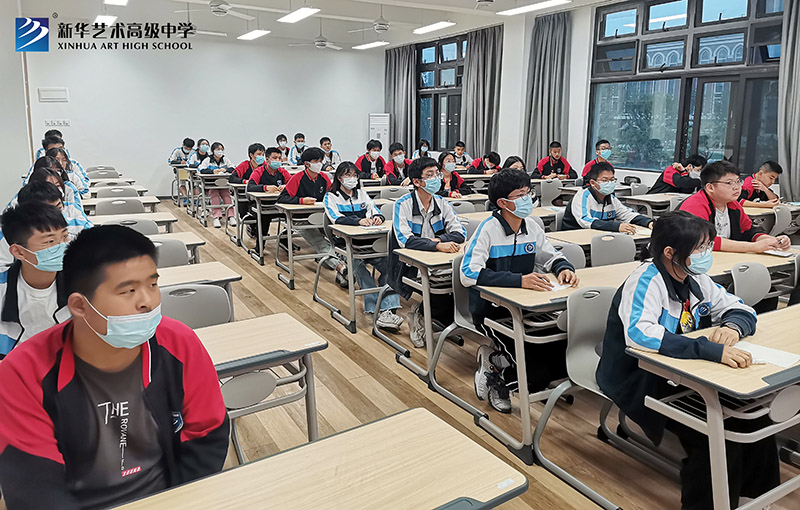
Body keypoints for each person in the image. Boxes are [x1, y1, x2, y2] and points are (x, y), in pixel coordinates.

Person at [0, 225, 230, 509]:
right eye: (129, 291)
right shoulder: (23, 373)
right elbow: (34, 486)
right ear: (80, 306)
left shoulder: (178, 343)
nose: (147, 302)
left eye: (152, 285)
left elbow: (208, 434)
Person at [596, 211, 778, 510]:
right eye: (700, 248)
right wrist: (710, 350)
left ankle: (756, 497)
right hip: (641, 375)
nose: (707, 253)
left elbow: (740, 308)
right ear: (670, 252)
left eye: (707, 246)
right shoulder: (646, 280)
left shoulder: (696, 278)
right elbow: (640, 335)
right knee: (715, 432)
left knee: (753, 413)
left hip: (688, 370)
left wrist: (733, 326)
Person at [461, 169, 578, 413]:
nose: (528, 199)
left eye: (528, 193)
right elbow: (468, 273)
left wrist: (563, 267)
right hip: (492, 310)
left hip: (529, 307)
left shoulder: (531, 226)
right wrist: (518, 281)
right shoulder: (488, 229)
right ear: (503, 203)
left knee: (561, 352)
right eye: (520, 195)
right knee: (536, 370)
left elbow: (550, 255)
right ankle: (500, 380)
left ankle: (497, 362)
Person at [388, 157, 466, 348]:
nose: (436, 178)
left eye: (437, 174)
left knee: (461, 282)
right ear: (416, 181)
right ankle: (422, 315)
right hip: (409, 265)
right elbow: (405, 240)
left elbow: (460, 233)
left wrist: (438, 241)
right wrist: (437, 245)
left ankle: (422, 313)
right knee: (441, 286)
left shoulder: (441, 202)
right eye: (430, 175)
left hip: (440, 262)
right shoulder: (403, 204)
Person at [323, 162, 404, 330]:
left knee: (390, 265)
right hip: (345, 244)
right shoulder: (331, 196)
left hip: (368, 241)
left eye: (354, 175)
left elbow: (374, 210)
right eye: (348, 175)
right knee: (360, 269)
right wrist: (358, 221)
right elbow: (335, 218)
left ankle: (388, 309)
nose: (352, 178)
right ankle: (376, 309)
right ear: (339, 178)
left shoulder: (361, 194)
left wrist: (377, 218)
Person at [0, 202, 71, 358]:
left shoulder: (82, 282)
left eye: (65, 237)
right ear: (19, 252)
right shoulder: (2, 289)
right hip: (13, 366)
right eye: (50, 242)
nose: (61, 247)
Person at [679, 161, 789, 253]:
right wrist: (753, 247)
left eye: (737, 182)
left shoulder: (733, 205)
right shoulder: (695, 205)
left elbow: (748, 230)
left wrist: (771, 240)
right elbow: (702, 240)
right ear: (710, 187)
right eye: (729, 183)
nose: (736, 187)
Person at [277, 148, 338, 270]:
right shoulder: (297, 178)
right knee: (319, 241)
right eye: (316, 161)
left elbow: (333, 194)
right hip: (301, 219)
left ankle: (333, 259)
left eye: (320, 161)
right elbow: (281, 198)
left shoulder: (323, 177)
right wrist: (301, 201)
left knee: (336, 238)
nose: (319, 164)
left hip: (321, 217)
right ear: (307, 164)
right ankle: (339, 266)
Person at [562, 162, 654, 232]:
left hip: (599, 237)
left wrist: (648, 222)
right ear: (593, 183)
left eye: (612, 180)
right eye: (604, 180)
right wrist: (616, 226)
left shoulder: (611, 199)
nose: (609, 183)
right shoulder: (583, 196)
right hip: (575, 238)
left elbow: (627, 214)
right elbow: (585, 220)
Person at [18, 181, 92, 239]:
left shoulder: (80, 226)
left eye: (59, 207)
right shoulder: (20, 235)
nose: (55, 214)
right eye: (48, 211)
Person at [247, 147, 292, 238]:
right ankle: (260, 244)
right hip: (260, 205)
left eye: (279, 158)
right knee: (264, 217)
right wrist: (265, 188)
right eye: (274, 158)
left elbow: (293, 184)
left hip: (279, 204)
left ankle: (285, 239)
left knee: (292, 215)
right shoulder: (258, 171)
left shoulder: (282, 171)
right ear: (267, 160)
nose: (277, 160)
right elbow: (250, 187)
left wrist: (286, 186)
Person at [197, 142, 236, 228]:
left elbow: (233, 167)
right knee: (214, 196)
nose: (220, 151)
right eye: (218, 149)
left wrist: (225, 170)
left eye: (221, 149)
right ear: (213, 151)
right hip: (211, 184)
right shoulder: (207, 160)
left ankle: (230, 216)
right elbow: (200, 169)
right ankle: (216, 217)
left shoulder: (225, 159)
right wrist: (212, 171)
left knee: (227, 196)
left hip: (223, 183)